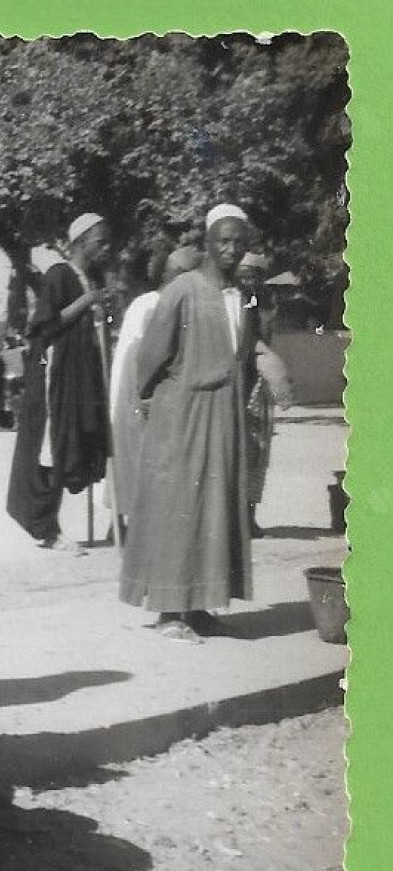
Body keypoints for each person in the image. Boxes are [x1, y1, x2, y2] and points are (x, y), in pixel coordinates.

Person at [120, 204, 256, 643]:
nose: (231, 249)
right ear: (208, 242)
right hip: (183, 417)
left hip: (224, 418)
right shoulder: (183, 289)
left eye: (239, 241)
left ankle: (199, 606)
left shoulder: (241, 297)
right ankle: (168, 612)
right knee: (178, 509)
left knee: (213, 508)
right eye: (223, 240)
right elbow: (151, 357)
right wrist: (156, 406)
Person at [6, 212, 115, 552]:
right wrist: (88, 301)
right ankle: (46, 527)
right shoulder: (59, 275)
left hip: (82, 375)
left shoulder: (91, 276)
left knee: (75, 444)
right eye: (100, 242)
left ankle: (56, 525)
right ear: (81, 242)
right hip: (57, 374)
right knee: (52, 444)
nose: (105, 248)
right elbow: (47, 325)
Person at [110, 245, 203, 535]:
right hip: (139, 386)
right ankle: (124, 524)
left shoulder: (176, 304)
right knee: (138, 455)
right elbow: (148, 353)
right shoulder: (151, 304)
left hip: (153, 385)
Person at [235, 251, 295, 538]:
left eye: (253, 274)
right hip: (238, 384)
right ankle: (236, 519)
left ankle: (249, 517)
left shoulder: (264, 302)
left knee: (257, 455)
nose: (247, 279)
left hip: (256, 387)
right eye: (243, 273)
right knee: (239, 454)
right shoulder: (233, 302)